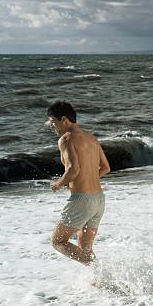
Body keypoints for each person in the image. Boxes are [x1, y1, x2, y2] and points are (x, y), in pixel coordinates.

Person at [47, 101, 110, 265]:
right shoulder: (91, 138)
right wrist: (88, 178)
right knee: (84, 247)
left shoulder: (66, 139)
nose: (51, 126)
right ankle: (101, 281)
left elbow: (73, 170)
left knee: (58, 241)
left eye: (53, 122)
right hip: (98, 199)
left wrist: (58, 184)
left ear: (64, 119)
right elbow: (105, 167)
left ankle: (105, 273)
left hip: (82, 201)